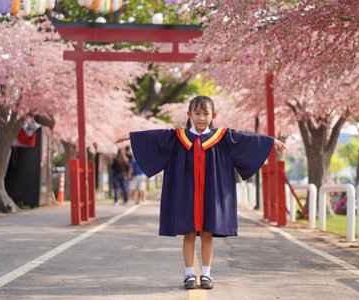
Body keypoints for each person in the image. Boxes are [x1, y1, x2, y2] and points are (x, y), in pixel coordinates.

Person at [116, 95, 286, 290]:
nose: (201, 118)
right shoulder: (177, 138)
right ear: (189, 114)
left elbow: (246, 139)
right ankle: (189, 274)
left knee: (207, 234)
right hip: (186, 193)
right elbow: (154, 138)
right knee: (189, 234)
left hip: (210, 194)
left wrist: (269, 141)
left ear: (213, 116)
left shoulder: (222, 138)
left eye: (206, 114)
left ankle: (206, 273)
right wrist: (132, 137)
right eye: (197, 114)